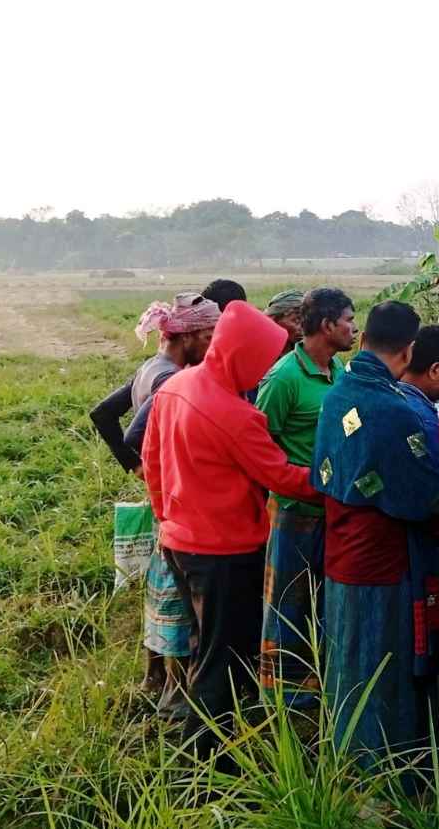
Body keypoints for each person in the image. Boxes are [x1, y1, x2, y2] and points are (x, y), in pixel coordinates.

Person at [140, 302, 318, 761]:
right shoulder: (235, 415)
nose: (267, 369)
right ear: (244, 355)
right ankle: (203, 764)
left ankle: (217, 742)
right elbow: (281, 477)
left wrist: (166, 518)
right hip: (226, 553)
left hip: (180, 542)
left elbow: (152, 459)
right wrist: (335, 479)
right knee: (226, 658)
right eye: (263, 358)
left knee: (205, 646)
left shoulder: (177, 387)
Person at [312, 301, 439, 772]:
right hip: (384, 560)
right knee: (383, 662)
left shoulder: (336, 392)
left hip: (340, 552)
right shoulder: (394, 409)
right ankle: (385, 773)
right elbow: (423, 497)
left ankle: (346, 760)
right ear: (409, 350)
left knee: (348, 658)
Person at [89, 293, 219, 716]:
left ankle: (156, 678)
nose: (215, 342)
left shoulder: (151, 368)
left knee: (160, 592)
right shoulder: (171, 380)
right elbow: (132, 433)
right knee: (177, 604)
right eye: (209, 334)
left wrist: (139, 467)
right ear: (189, 336)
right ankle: (175, 698)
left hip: (163, 499)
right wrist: (149, 467)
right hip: (175, 504)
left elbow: (104, 415)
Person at [254, 287, 355, 707]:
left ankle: (319, 687)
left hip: (331, 508)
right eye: (349, 319)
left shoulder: (340, 372)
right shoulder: (283, 378)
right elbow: (259, 443)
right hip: (294, 511)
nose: (354, 327)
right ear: (328, 325)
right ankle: (283, 699)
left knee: (322, 600)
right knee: (286, 603)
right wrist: (295, 479)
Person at [264, 289, 305, 356]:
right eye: (296, 320)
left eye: (306, 321)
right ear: (275, 319)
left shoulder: (306, 351)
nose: (303, 328)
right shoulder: (262, 351)